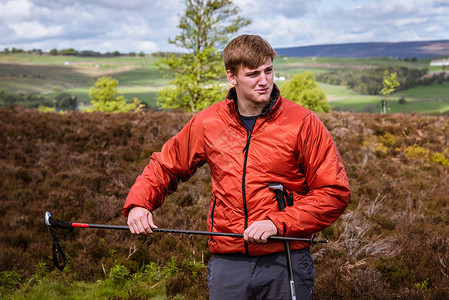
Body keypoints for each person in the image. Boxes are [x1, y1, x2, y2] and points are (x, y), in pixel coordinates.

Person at [123, 34, 350, 299]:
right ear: (232, 77)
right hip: (228, 264)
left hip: (285, 259)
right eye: (253, 74)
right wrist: (140, 203)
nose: (264, 81)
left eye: (268, 70)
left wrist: (277, 224)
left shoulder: (303, 123)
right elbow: (165, 165)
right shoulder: (209, 122)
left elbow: (334, 192)